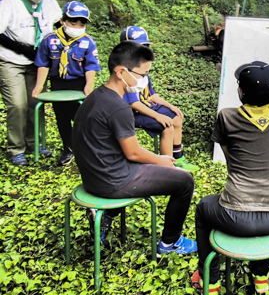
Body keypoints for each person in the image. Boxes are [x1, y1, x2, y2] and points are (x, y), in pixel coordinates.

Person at [71, 41, 196, 255]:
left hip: (93, 176)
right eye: (142, 74)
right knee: (184, 182)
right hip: (112, 180)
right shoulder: (119, 108)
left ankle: (105, 216)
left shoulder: (96, 96)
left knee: (156, 168)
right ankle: (170, 243)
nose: (144, 80)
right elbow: (134, 152)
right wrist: (162, 160)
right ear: (121, 72)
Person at [192, 61, 269, 295]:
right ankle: (261, 279)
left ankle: (211, 280)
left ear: (240, 92)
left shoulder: (226, 116)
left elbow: (230, 159)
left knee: (202, 208)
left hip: (233, 214)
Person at [0, 0, 62, 166]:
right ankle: (16, 148)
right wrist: (21, 48)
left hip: (38, 62)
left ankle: (34, 143)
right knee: (18, 105)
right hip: (11, 61)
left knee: (36, 102)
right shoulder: (9, 4)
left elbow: (58, 24)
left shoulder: (49, 2)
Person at [32, 1, 100, 166]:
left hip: (79, 84)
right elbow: (43, 64)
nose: (77, 26)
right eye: (72, 22)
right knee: (61, 118)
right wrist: (39, 86)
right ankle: (68, 148)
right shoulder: (49, 40)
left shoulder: (87, 42)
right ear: (63, 20)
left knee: (80, 118)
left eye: (81, 23)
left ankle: (86, 149)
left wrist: (89, 85)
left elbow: (91, 66)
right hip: (58, 84)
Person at [120, 26, 197, 172]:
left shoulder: (143, 68)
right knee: (167, 127)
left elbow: (151, 94)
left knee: (177, 118)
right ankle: (167, 166)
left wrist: (171, 106)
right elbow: (133, 103)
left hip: (149, 106)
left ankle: (178, 157)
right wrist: (158, 116)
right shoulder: (125, 72)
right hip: (134, 112)